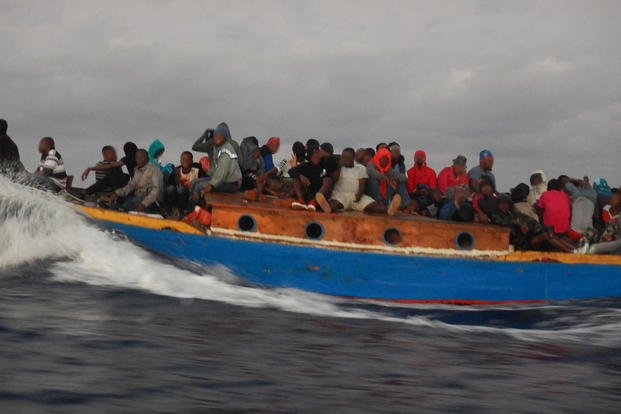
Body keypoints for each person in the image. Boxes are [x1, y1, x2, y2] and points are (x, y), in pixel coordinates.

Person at [315, 148, 401, 215]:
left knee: (376, 207)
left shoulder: (360, 168)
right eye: (343, 157)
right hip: (341, 194)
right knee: (333, 203)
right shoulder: (338, 167)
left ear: (352, 158)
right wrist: (339, 166)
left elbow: (362, 183)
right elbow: (334, 179)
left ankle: (389, 209)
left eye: (346, 157)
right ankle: (327, 207)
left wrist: (359, 195)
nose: (344, 159)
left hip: (356, 195)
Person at [491, 195, 574, 252]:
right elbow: (503, 224)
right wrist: (519, 225)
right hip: (520, 242)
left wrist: (537, 228)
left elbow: (531, 222)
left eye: (506, 203)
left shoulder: (515, 214)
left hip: (528, 236)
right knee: (546, 234)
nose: (504, 205)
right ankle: (571, 251)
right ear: (497, 205)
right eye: (501, 203)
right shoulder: (496, 215)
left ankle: (575, 249)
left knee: (554, 233)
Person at [191, 122, 243, 204]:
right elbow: (215, 167)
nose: (217, 137)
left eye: (220, 135)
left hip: (230, 181)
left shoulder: (225, 148)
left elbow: (222, 170)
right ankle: (193, 208)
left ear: (224, 136)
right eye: (215, 135)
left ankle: (196, 209)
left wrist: (211, 185)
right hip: (220, 177)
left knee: (198, 186)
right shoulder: (216, 145)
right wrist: (209, 177)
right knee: (194, 183)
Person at [289, 147, 327, 211]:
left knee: (327, 182)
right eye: (314, 155)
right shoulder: (306, 165)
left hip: (319, 193)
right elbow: (291, 171)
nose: (316, 157)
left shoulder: (324, 165)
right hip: (308, 191)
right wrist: (300, 176)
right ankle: (301, 201)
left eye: (317, 155)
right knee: (296, 178)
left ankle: (314, 202)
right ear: (310, 156)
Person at [165, 151, 202, 216]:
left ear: (191, 161)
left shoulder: (197, 170)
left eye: (187, 159)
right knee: (170, 189)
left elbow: (204, 181)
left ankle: (181, 211)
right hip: (178, 196)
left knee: (181, 189)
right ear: (180, 161)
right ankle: (169, 209)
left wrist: (198, 192)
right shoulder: (176, 171)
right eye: (183, 159)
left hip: (191, 195)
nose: (185, 161)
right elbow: (169, 183)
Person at [564, 176, 597, 241]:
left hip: (575, 232)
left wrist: (575, 181)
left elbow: (566, 184)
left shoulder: (576, 192)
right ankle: (586, 183)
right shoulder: (593, 193)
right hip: (588, 233)